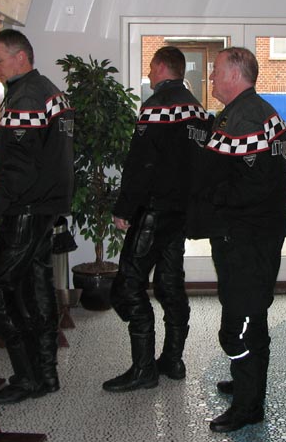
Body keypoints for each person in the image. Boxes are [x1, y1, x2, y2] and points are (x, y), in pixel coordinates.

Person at [0, 29, 75, 404]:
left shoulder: (26, 97)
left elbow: (18, 169)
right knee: (38, 290)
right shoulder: (48, 91)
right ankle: (46, 375)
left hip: (28, 209)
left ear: (20, 57)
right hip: (45, 208)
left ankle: (28, 377)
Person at [188, 47, 286, 433]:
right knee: (248, 311)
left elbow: (252, 186)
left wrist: (208, 198)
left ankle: (249, 406)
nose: (212, 78)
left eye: (216, 71)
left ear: (235, 75)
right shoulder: (248, 111)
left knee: (241, 320)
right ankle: (248, 383)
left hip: (248, 237)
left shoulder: (246, 117)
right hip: (248, 233)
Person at [102, 47, 209, 393]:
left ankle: (143, 368)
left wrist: (124, 208)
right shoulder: (197, 109)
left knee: (129, 286)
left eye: (151, 67)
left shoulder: (157, 105)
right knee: (169, 284)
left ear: (162, 67)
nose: (148, 74)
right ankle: (173, 360)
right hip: (179, 214)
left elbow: (141, 163)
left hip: (153, 211)